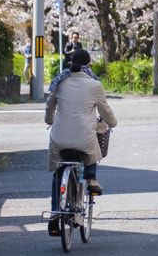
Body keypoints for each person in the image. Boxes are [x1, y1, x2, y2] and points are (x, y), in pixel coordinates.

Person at [45, 48, 116, 236]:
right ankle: (91, 179)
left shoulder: (59, 82)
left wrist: (49, 121)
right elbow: (105, 111)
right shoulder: (94, 84)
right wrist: (112, 123)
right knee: (92, 145)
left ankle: (55, 213)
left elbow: (49, 106)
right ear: (89, 63)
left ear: (70, 62)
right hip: (84, 138)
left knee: (59, 172)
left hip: (60, 138)